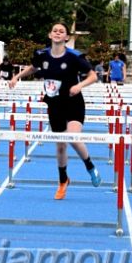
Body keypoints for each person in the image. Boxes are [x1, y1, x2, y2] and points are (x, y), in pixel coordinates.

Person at [9, 22, 102, 200]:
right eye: (55, 31)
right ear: (50, 35)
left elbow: (93, 76)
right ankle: (62, 181)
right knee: (60, 145)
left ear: (66, 37)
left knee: (73, 137)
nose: (58, 33)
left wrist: (79, 86)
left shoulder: (74, 57)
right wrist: (16, 77)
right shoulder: (41, 54)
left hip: (74, 102)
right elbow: (33, 68)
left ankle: (90, 166)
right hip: (54, 104)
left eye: (62, 31)